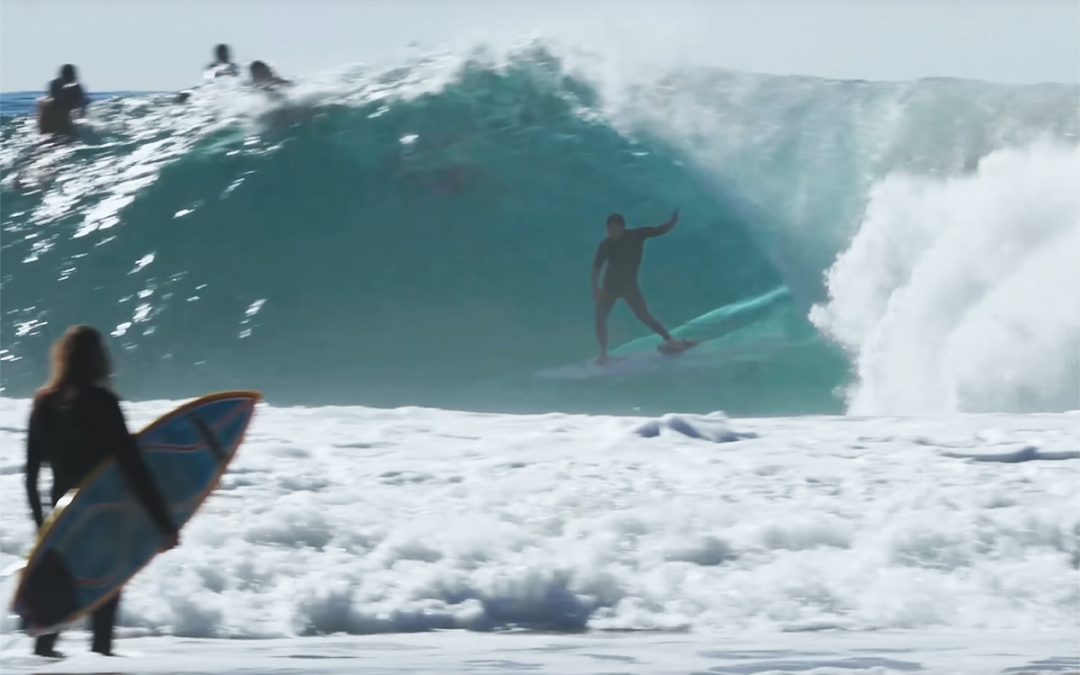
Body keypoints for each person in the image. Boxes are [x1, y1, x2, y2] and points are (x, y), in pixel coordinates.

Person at [25, 326, 179, 658]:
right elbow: (133, 467)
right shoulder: (103, 403)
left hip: (63, 517)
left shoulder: (43, 404)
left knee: (52, 617)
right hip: (103, 516)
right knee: (103, 614)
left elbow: (31, 476)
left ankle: (36, 666)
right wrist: (163, 524)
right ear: (99, 360)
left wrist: (43, 531)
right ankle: (99, 661)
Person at [591, 209, 690, 365]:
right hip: (610, 286)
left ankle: (671, 341)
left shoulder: (636, 235)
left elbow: (659, 230)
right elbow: (597, 268)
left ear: (622, 227)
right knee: (600, 318)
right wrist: (596, 288)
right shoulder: (606, 244)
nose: (611, 233)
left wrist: (673, 222)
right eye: (608, 230)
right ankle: (604, 354)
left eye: (614, 230)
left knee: (644, 316)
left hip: (629, 286)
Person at [37, 65, 87, 136]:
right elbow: (81, 106)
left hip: (49, 121)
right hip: (59, 122)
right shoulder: (73, 88)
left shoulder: (45, 100)